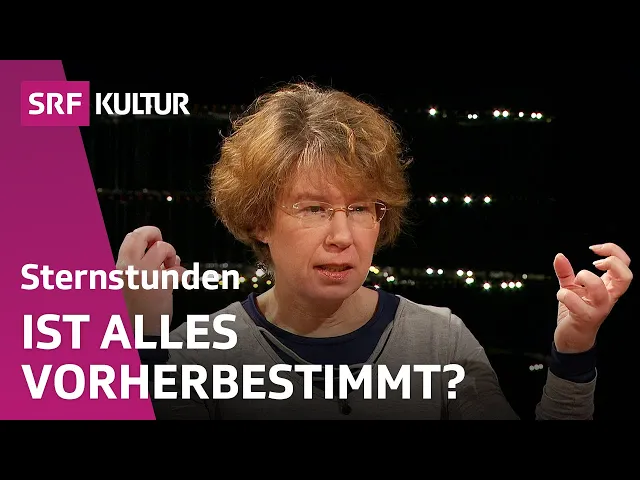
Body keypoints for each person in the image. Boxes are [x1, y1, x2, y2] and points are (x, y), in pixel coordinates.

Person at [117, 82, 633, 419]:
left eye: (361, 208)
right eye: (314, 208)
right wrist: (144, 340)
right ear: (259, 220)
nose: (343, 235)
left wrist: (574, 348)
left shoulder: (439, 341)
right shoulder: (201, 354)